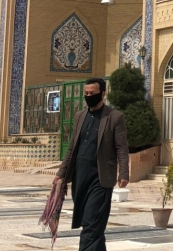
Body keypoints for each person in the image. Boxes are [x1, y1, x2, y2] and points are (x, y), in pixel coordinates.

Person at [54, 78, 129, 251]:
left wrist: (123, 173)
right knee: (93, 226)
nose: (88, 96)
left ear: (103, 93)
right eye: (86, 94)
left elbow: (122, 148)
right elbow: (72, 147)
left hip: (100, 179)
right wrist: (61, 173)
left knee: (91, 223)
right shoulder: (80, 116)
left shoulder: (114, 117)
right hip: (81, 178)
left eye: (92, 94)